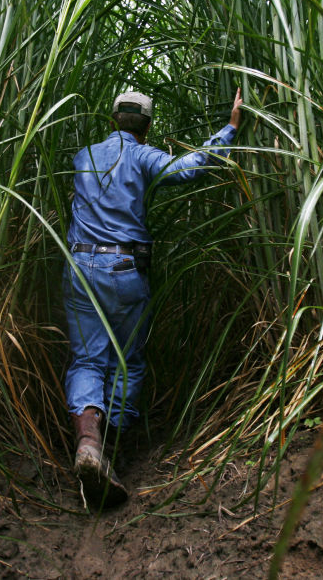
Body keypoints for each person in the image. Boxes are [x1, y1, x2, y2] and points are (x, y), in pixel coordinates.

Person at [63, 88, 243, 506]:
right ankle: (116, 451)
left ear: (113, 120)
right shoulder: (143, 156)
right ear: (146, 126)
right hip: (124, 270)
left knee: (88, 358)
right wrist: (230, 128)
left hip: (79, 269)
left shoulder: (82, 158)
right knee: (127, 359)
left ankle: (89, 443)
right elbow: (191, 167)